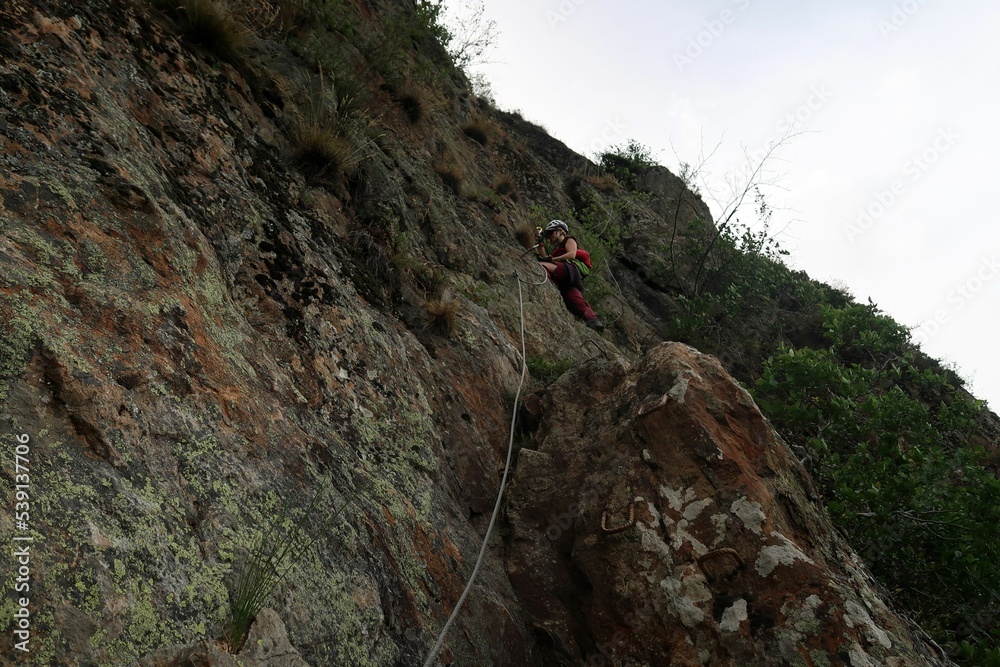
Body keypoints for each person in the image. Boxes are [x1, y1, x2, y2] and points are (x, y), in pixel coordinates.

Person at [535, 220, 603, 330]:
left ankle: (546, 287)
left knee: (541, 266)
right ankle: (593, 320)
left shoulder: (569, 239)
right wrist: (541, 243)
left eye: (551, 233)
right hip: (571, 279)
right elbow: (545, 258)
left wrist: (551, 259)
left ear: (559, 232)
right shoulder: (556, 251)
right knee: (575, 301)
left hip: (569, 269)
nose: (549, 237)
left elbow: (571, 255)